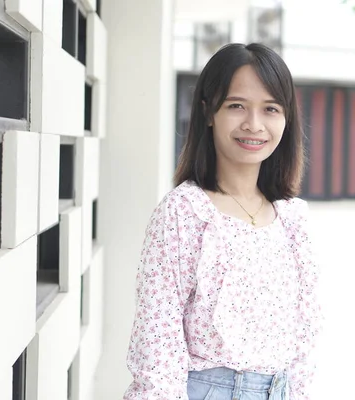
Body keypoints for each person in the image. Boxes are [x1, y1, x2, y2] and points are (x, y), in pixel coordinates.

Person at [123, 42, 322, 400]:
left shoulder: (293, 218)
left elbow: (305, 339)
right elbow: (157, 339)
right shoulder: (184, 212)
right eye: (236, 106)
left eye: (271, 109)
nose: (254, 124)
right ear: (208, 111)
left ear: (286, 118)